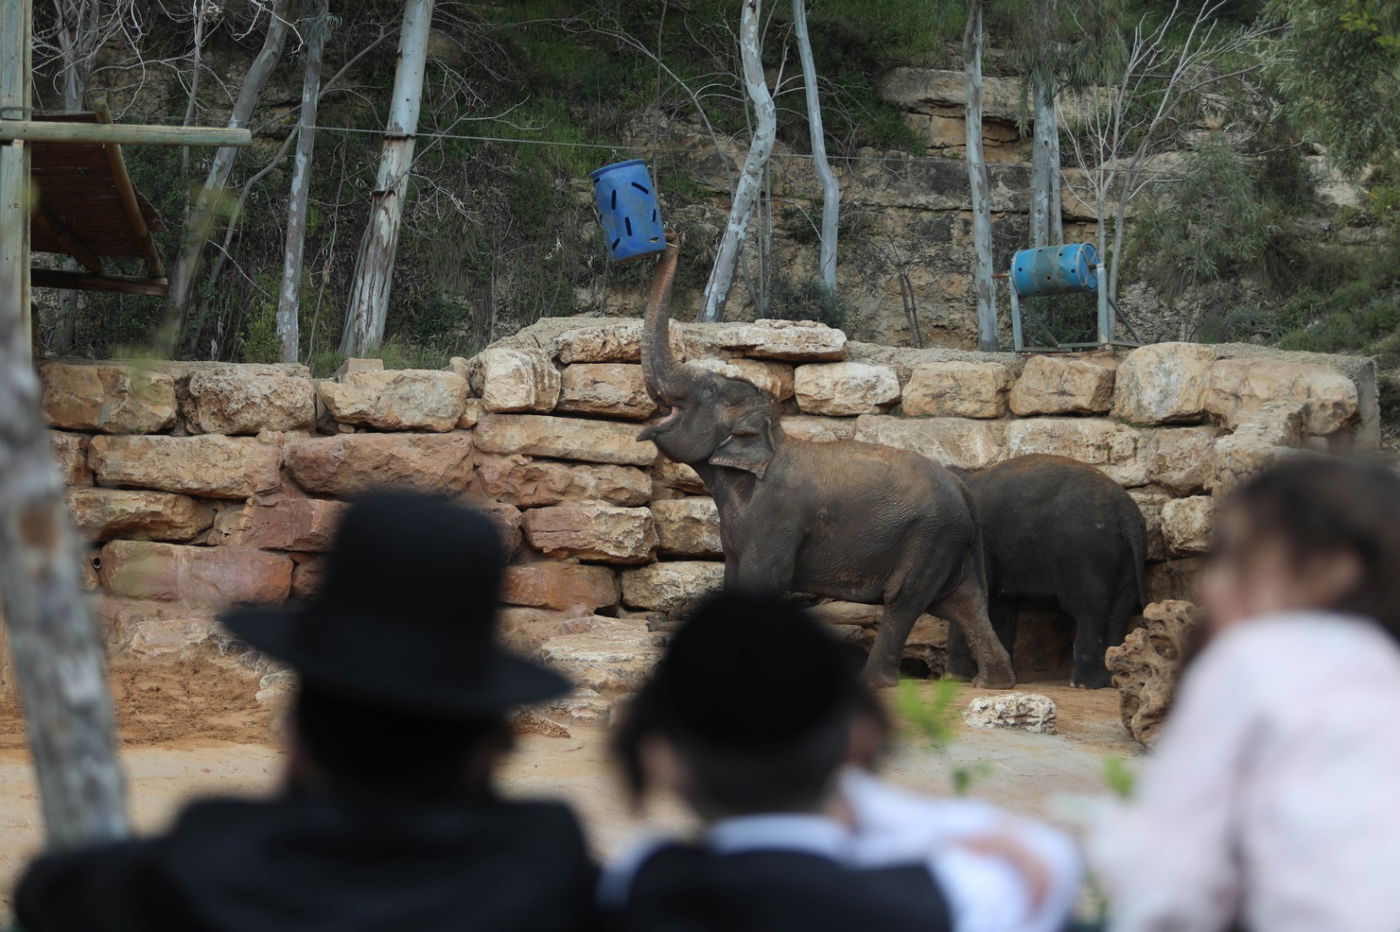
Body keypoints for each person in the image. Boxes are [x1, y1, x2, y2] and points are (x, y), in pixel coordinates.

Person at [14, 490, 598, 932]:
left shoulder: (184, 874)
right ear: (489, 744)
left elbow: (47, 892)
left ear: (294, 734)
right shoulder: (556, 883)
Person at [603, 590, 1079, 932]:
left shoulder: (630, 887)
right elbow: (1049, 857)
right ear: (862, 738)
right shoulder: (971, 898)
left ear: (658, 759)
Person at [1089, 457, 1400, 931]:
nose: (1209, 587)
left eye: (1237, 561)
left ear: (1331, 573)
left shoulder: (1262, 659)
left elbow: (1166, 880)